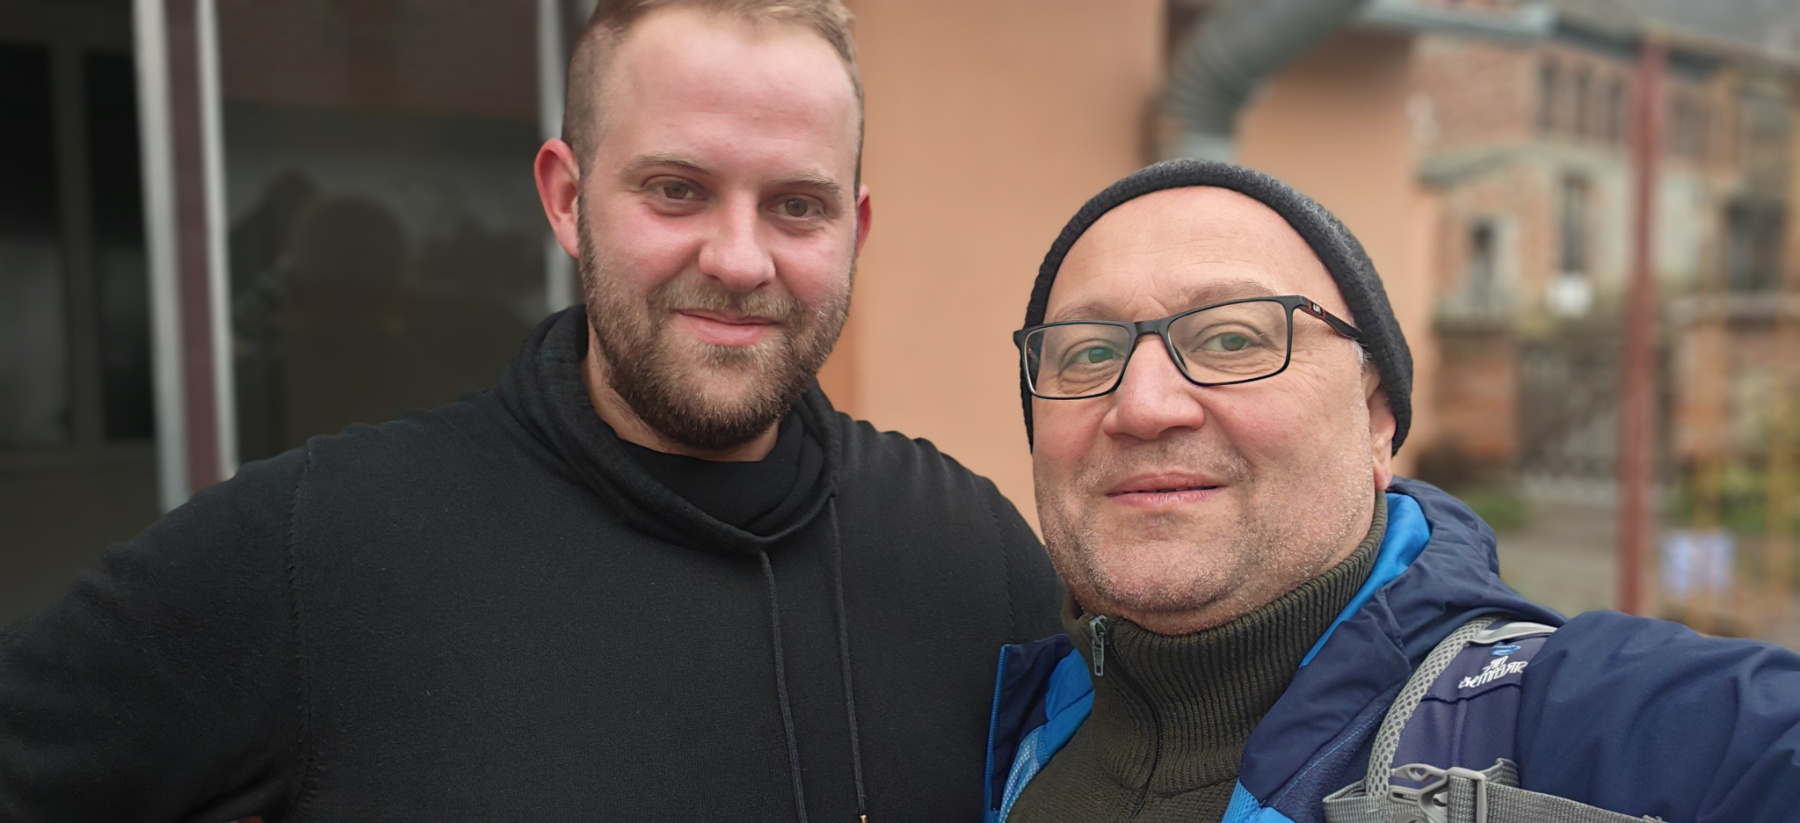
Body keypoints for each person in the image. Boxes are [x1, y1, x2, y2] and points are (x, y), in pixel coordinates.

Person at [0, 2, 1061, 819]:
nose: (740, 260)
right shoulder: (322, 544)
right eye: (676, 189)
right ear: (565, 197)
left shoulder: (972, 558)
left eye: (796, 205)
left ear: (854, 230)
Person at [983, 160, 1800, 823]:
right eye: (1088, 354)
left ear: (1378, 419)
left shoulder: (1570, 724)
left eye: (1232, 338)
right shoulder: (989, 724)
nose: (1142, 405)